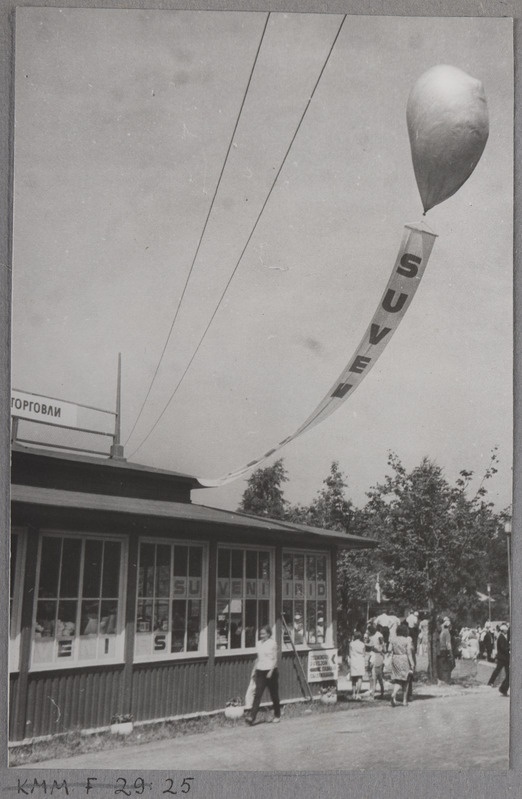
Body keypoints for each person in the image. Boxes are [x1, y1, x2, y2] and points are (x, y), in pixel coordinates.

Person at [245, 625, 281, 725]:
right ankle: (252, 717)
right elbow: (258, 658)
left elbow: (275, 659)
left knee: (274, 694)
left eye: (263, 633)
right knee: (257, 694)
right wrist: (254, 670)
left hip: (271, 671)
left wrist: (271, 671)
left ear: (269, 634)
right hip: (260, 670)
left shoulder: (273, 643)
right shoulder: (258, 644)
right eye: (260, 633)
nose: (261, 635)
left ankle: (277, 715)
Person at [389, 622, 415, 707]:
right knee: (406, 680)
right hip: (403, 659)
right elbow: (409, 653)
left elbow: (389, 649)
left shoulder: (393, 639)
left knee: (397, 680)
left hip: (395, 658)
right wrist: (412, 663)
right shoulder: (407, 640)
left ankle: (394, 694)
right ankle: (404, 700)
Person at [488, 623, 510, 696]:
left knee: (503, 671)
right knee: (498, 671)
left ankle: (492, 682)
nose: (506, 631)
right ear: (503, 630)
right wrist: (509, 648)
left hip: (504, 658)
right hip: (502, 658)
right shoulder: (501, 637)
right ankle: (491, 682)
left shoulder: (503, 637)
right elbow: (503, 648)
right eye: (505, 630)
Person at [366, 624, 385, 699]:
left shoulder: (379, 635)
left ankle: (378, 693)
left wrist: (379, 649)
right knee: (373, 676)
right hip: (372, 655)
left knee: (378, 676)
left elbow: (382, 644)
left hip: (378, 655)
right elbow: (368, 643)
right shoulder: (370, 636)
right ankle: (373, 692)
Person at [348, 631, 366, 700]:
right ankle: (358, 694)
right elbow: (364, 654)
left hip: (353, 661)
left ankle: (353, 694)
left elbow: (350, 654)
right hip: (360, 661)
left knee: (353, 678)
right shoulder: (362, 644)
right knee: (359, 678)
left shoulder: (351, 644)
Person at [437, 618, 454, 683]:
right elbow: (448, 643)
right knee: (448, 665)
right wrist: (451, 653)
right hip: (444, 650)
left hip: (440, 649)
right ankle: (446, 679)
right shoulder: (447, 632)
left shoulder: (442, 632)